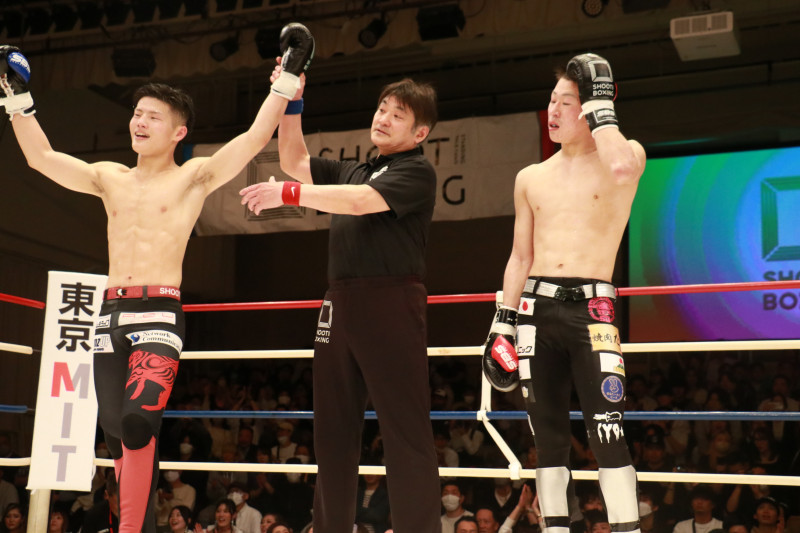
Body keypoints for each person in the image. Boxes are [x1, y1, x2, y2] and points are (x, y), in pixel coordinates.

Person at [0, 28, 312, 533]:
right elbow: (42, 159)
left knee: (138, 422)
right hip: (109, 315)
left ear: (178, 132)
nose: (140, 122)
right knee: (116, 437)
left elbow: (255, 138)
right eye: (137, 113)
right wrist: (17, 99)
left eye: (153, 117)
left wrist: (289, 77)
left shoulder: (193, 178)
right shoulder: (110, 177)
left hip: (159, 314)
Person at [240, 64, 441, 531]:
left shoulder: (417, 171)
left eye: (398, 115)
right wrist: (293, 100)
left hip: (391, 300)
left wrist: (289, 194)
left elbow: (358, 202)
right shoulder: (357, 169)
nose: (383, 118)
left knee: (405, 432)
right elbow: (294, 160)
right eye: (382, 108)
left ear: (420, 132)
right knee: (332, 432)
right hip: (339, 302)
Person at [482, 53, 646, 533]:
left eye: (567, 102)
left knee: (608, 434)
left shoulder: (625, 155)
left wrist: (602, 109)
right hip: (535, 309)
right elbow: (520, 257)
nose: (553, 111)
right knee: (547, 439)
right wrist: (503, 321)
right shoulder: (531, 177)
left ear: (592, 105)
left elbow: (622, 170)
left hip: (594, 310)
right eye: (551, 100)